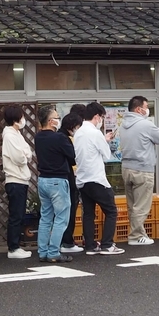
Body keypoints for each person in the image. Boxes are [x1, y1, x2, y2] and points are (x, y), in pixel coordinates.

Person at [75, 102, 125, 255]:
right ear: (96, 117)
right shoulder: (95, 133)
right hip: (97, 179)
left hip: (82, 180)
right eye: (102, 117)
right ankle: (107, 245)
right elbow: (105, 154)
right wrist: (106, 141)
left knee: (88, 213)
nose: (101, 120)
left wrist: (103, 139)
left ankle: (90, 246)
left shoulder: (78, 132)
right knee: (111, 211)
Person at [117, 96, 159, 246]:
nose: (147, 109)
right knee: (142, 205)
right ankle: (135, 236)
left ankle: (139, 234)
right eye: (146, 106)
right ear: (139, 109)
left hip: (126, 168)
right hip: (143, 169)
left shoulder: (123, 124)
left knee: (132, 205)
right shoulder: (146, 124)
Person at [33, 106, 76, 264]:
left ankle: (43, 251)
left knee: (46, 217)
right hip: (58, 180)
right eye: (57, 117)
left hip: (43, 179)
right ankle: (53, 252)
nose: (59, 119)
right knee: (61, 218)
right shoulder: (59, 138)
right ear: (51, 121)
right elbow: (72, 156)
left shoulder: (38, 137)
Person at [1, 104, 33, 260]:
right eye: (21, 116)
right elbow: (20, 158)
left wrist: (26, 154)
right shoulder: (10, 135)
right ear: (15, 118)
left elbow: (28, 153)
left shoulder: (16, 134)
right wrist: (25, 155)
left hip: (20, 179)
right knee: (16, 214)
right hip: (15, 179)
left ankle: (16, 246)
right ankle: (13, 247)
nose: (23, 119)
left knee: (19, 214)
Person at [60, 103, 88, 255]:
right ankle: (67, 241)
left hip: (70, 177)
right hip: (71, 178)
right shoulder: (66, 138)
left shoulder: (63, 136)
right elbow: (73, 158)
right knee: (69, 210)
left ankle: (67, 240)